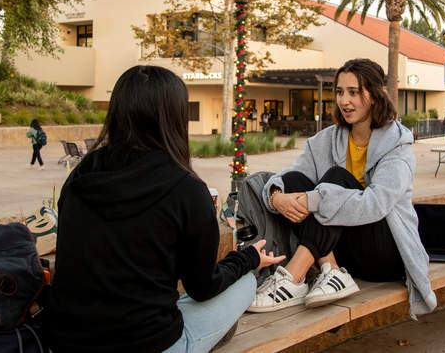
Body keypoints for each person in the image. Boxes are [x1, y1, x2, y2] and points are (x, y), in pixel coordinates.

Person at [45, 65, 284, 353]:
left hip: (65, 341)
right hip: (148, 342)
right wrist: (248, 259)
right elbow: (203, 287)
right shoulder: (187, 189)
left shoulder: (80, 177)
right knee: (245, 283)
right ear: (175, 117)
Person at [248, 58, 437, 318]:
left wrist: (313, 200)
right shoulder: (325, 140)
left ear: (374, 95)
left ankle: (293, 277)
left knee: (336, 178)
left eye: (354, 92)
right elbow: (286, 178)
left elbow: (376, 204)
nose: (344, 101)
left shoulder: (397, 146)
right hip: (342, 250)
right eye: (339, 92)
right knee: (293, 179)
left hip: (384, 254)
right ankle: (333, 271)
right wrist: (277, 197)